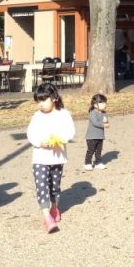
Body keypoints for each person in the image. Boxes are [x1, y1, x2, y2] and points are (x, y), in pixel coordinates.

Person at [26, 83, 75, 233]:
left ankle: (54, 207)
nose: (41, 104)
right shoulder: (37, 116)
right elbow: (31, 133)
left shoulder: (63, 114)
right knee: (42, 185)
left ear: (53, 98)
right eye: (38, 101)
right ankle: (46, 216)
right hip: (40, 157)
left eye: (44, 100)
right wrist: (39, 142)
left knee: (54, 185)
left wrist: (60, 139)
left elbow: (70, 132)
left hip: (57, 157)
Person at [84, 94, 109, 170]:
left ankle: (98, 162)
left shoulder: (104, 113)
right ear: (95, 105)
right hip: (91, 137)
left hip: (100, 136)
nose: (104, 104)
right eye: (102, 103)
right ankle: (87, 163)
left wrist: (106, 123)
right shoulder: (92, 113)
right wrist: (104, 123)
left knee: (99, 151)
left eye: (105, 102)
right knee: (91, 150)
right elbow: (96, 123)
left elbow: (107, 124)